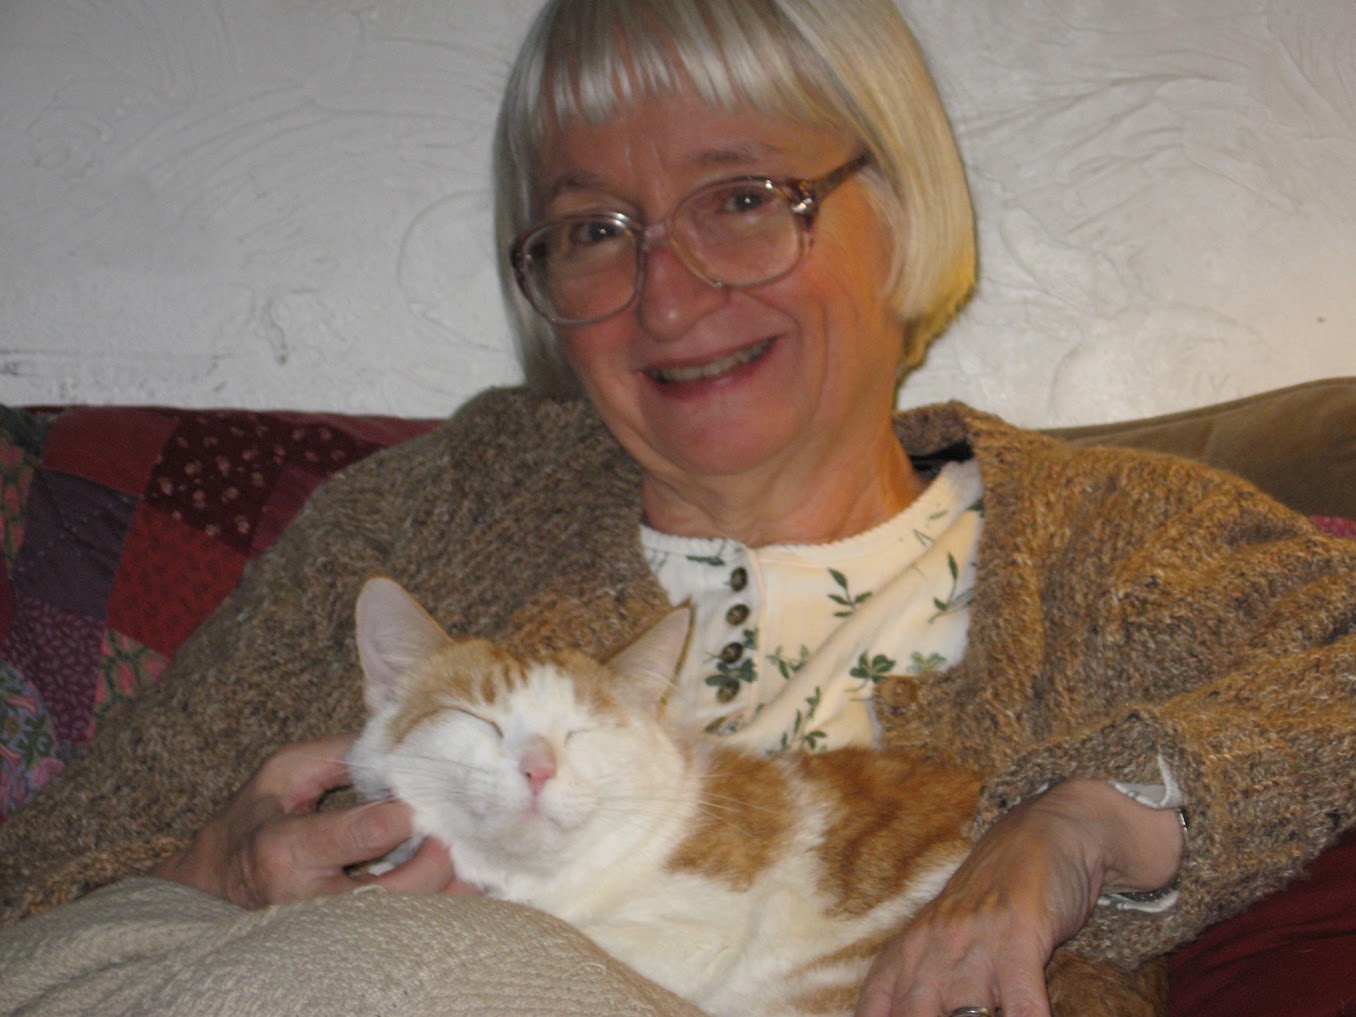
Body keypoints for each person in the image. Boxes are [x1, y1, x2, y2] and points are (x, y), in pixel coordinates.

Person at [1, 1, 1353, 1016]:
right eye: (595, 228)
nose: (666, 293)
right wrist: (212, 872)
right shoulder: (423, 517)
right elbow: (44, 893)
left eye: (743, 198)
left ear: (904, 210)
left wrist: (1081, 818)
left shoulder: (1122, 545)